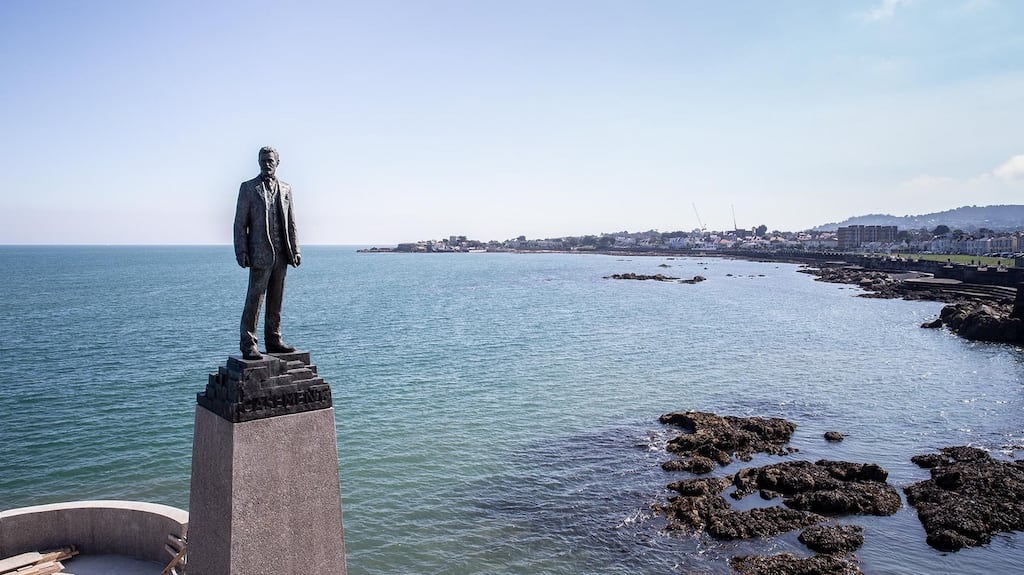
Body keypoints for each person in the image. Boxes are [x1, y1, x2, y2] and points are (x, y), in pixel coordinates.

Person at [233, 146, 301, 359]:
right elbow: (239, 224)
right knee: (254, 299)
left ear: (277, 162)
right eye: (263, 160)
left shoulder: (286, 188)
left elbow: (291, 222)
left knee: (276, 298)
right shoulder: (248, 188)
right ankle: (248, 343)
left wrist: (296, 249)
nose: (267, 164)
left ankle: (274, 339)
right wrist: (241, 251)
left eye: (270, 160)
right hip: (259, 254)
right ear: (258, 162)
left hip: (282, 253)